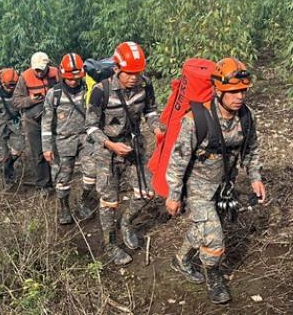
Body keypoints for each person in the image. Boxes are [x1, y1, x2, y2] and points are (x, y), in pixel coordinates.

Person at [164, 57, 265, 304]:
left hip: (224, 186)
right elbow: (178, 160)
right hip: (198, 187)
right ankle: (214, 278)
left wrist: (255, 178)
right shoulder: (196, 120)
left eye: (242, 91)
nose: (239, 96)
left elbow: (251, 150)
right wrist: (174, 195)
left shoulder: (247, 118)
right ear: (218, 90)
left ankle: (181, 259)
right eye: (232, 91)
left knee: (204, 229)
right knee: (215, 239)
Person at [85, 41, 163, 266]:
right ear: (117, 69)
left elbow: (150, 110)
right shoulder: (101, 91)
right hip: (107, 152)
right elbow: (90, 128)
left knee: (147, 193)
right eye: (130, 73)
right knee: (109, 201)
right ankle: (110, 245)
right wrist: (111, 145)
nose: (134, 78)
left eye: (138, 73)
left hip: (134, 147)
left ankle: (127, 223)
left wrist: (156, 127)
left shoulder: (145, 85)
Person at [42, 53, 96, 224]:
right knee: (63, 178)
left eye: (76, 78)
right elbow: (46, 122)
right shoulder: (54, 94)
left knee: (92, 173)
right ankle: (64, 208)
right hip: (63, 141)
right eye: (69, 78)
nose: (73, 81)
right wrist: (47, 147)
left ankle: (82, 201)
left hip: (86, 138)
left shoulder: (89, 89)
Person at [11, 51, 59, 191]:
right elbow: (15, 101)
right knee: (38, 154)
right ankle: (44, 185)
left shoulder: (57, 73)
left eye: (41, 69)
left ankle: (60, 181)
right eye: (36, 70)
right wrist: (30, 100)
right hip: (33, 121)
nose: (39, 73)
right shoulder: (25, 77)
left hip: (54, 119)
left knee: (57, 150)